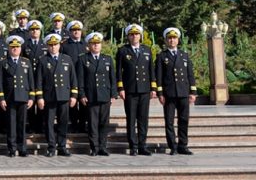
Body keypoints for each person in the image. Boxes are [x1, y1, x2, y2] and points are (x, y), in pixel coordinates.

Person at [116, 24, 156, 156]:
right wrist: (121, 88)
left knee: (143, 119)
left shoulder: (147, 50)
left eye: (137, 34)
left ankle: (142, 145)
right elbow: (119, 72)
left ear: (140, 36)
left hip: (144, 90)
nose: (134, 36)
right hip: (130, 90)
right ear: (128, 36)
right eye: (132, 34)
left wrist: (153, 88)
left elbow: (151, 70)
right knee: (131, 119)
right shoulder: (123, 51)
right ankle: (133, 146)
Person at [156, 27, 196, 156]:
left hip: (183, 92)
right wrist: (160, 94)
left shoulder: (184, 55)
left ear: (178, 40)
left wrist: (193, 92)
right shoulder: (162, 56)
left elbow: (190, 75)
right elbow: (159, 76)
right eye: (169, 38)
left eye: (174, 38)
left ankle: (183, 145)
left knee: (184, 120)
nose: (172, 40)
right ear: (166, 40)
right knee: (169, 121)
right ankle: (172, 146)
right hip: (169, 94)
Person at [35, 33, 78, 157]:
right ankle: (51, 147)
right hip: (49, 98)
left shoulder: (67, 59)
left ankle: (62, 146)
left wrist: (74, 96)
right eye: (51, 45)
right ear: (47, 46)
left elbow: (73, 79)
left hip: (64, 96)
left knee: (63, 123)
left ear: (59, 45)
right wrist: (40, 97)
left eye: (55, 44)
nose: (53, 47)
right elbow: (38, 81)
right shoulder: (43, 60)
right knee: (49, 123)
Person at [78, 32, 117, 156]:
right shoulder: (83, 59)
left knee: (104, 123)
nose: (95, 46)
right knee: (93, 123)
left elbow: (112, 78)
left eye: (98, 43)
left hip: (105, 95)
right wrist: (82, 94)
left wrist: (113, 94)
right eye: (93, 44)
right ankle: (94, 147)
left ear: (101, 45)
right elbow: (81, 79)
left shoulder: (107, 59)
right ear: (89, 45)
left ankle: (102, 147)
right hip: (91, 96)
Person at [0, 35, 34, 157]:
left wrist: (32, 97)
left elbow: (31, 81)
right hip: (9, 98)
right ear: (9, 48)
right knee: (11, 124)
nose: (15, 49)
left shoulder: (26, 62)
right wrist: (1, 98)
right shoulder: (3, 63)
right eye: (12, 47)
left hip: (23, 97)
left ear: (20, 48)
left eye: (17, 47)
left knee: (21, 124)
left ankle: (22, 147)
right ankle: (12, 148)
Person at [61, 20, 88, 133]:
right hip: (69, 77)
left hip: (83, 77)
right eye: (74, 30)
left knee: (83, 102)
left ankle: (82, 124)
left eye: (78, 30)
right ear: (70, 32)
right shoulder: (64, 45)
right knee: (71, 102)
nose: (76, 32)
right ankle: (73, 124)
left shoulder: (86, 45)